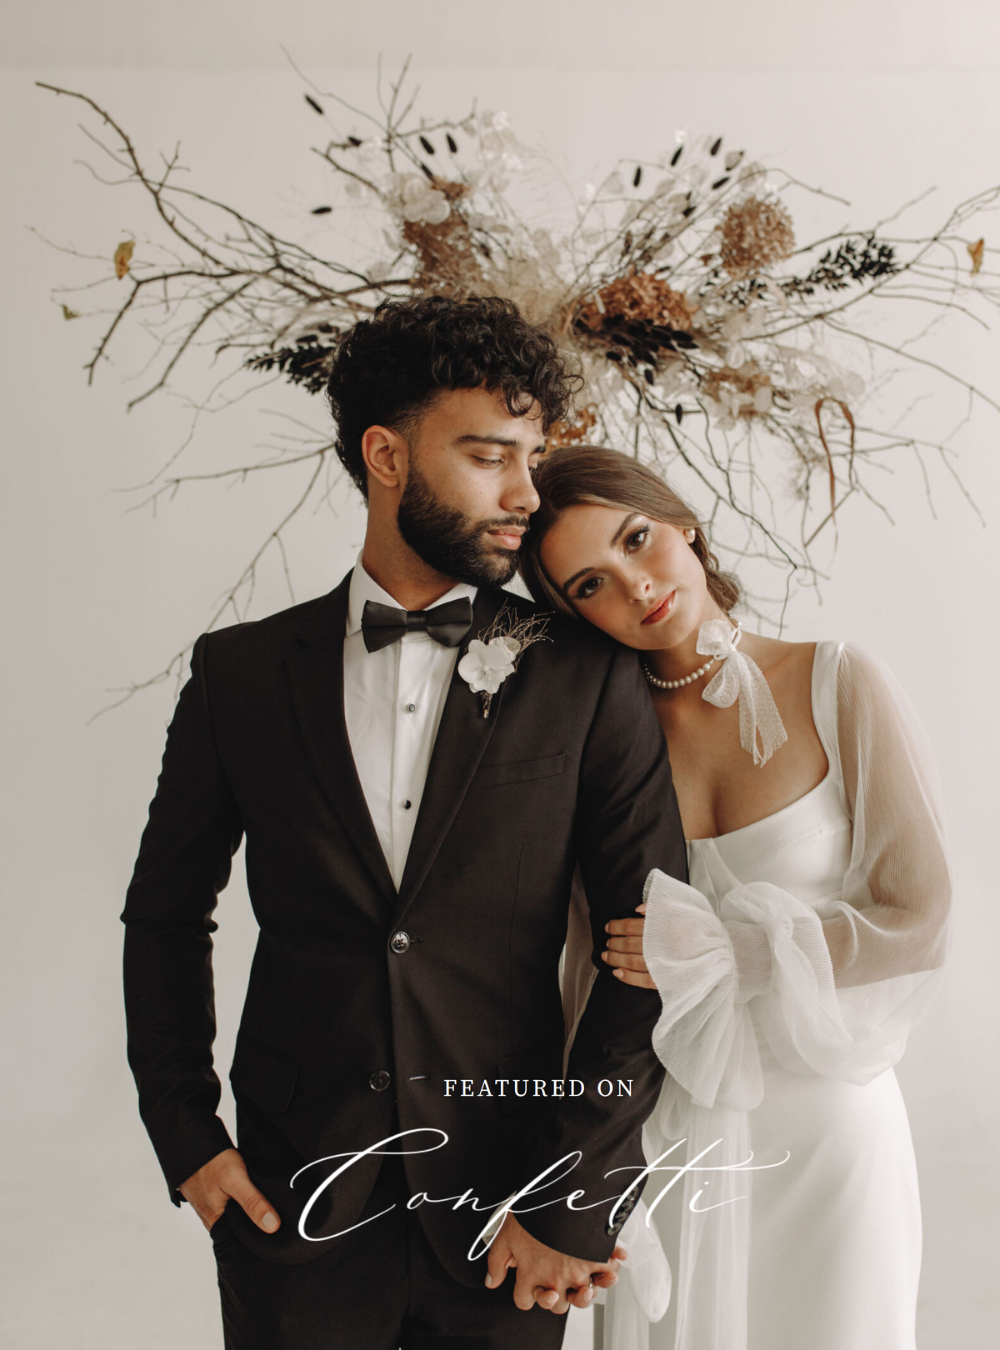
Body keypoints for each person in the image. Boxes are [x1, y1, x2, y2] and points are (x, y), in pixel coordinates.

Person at [120, 298, 688, 1350]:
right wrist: (186, 1132)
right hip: (292, 1206)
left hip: (510, 1213)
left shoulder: (586, 678)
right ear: (386, 455)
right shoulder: (240, 675)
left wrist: (573, 1195)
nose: (525, 494)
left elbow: (652, 950)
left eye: (531, 457)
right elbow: (164, 915)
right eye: (488, 456)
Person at [519, 444, 952, 1350]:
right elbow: (582, 969)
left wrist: (744, 954)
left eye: (637, 539)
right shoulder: (593, 747)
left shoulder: (835, 681)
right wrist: (586, 1172)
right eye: (591, 585)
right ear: (571, 614)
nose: (636, 585)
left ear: (683, 522)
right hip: (673, 1142)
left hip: (829, 1128)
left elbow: (919, 919)